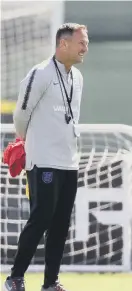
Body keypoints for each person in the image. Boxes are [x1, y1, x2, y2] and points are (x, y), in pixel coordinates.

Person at [4, 23, 89, 291]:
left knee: (61, 223)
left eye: (86, 42)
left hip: (69, 160)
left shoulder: (78, 77)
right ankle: (15, 277)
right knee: (40, 218)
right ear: (63, 44)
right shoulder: (40, 73)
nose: (85, 47)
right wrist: (27, 143)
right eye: (81, 43)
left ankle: (51, 282)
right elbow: (21, 114)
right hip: (43, 160)